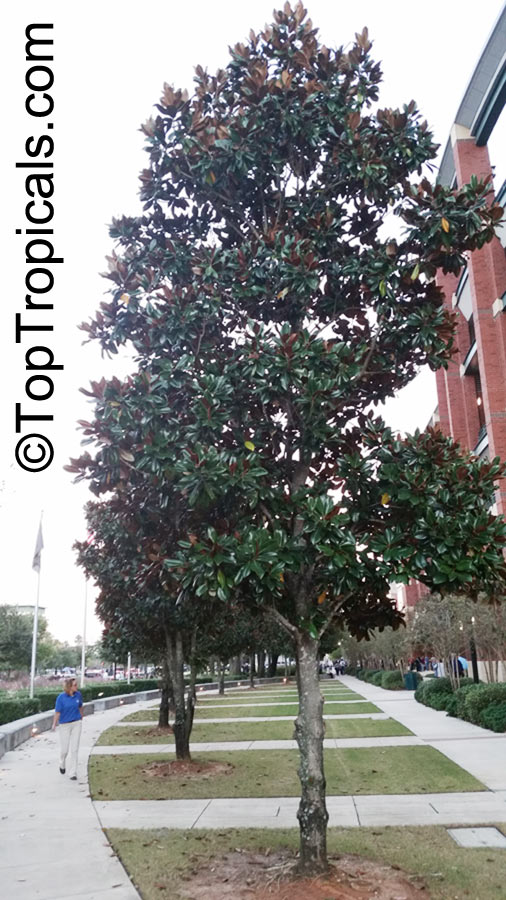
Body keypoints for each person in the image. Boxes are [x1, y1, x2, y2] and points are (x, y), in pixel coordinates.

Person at [52, 677, 83, 780]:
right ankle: (62, 762)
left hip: (76, 723)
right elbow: (57, 712)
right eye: (75, 685)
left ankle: (73, 772)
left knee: (74, 749)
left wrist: (81, 716)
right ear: (69, 686)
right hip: (64, 725)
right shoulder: (61, 698)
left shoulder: (78, 695)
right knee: (65, 750)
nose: (77, 687)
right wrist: (54, 724)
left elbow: (80, 706)